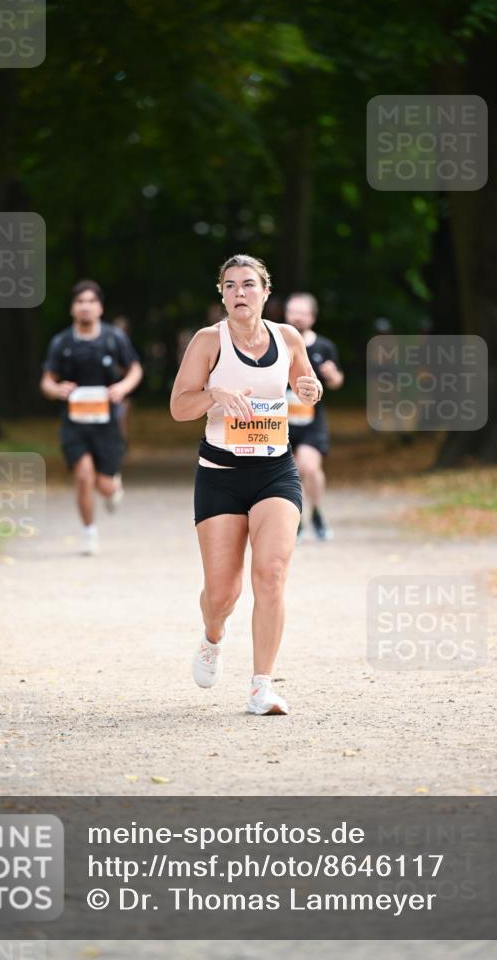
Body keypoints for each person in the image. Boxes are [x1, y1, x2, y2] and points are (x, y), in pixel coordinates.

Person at [170, 254, 323, 715]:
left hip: (275, 470)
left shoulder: (288, 337)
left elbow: (304, 382)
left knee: (271, 572)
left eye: (249, 284)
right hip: (220, 474)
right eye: (231, 285)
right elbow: (179, 407)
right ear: (222, 294)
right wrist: (215, 394)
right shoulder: (207, 342)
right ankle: (213, 636)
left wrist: (311, 388)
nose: (241, 292)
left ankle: (262, 686)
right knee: (223, 594)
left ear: (265, 292)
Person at [41, 280, 143, 555]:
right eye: (80, 302)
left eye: (90, 301)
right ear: (73, 308)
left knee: (105, 485)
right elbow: (47, 382)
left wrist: (122, 387)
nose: (85, 306)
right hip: (74, 424)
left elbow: (135, 369)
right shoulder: (62, 342)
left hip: (107, 424)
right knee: (84, 476)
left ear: (100, 307)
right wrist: (57, 389)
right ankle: (89, 533)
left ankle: (112, 489)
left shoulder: (113, 338)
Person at [284, 293, 344, 541]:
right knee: (288, 472)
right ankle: (294, 521)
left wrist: (331, 375)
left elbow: (338, 381)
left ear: (313, 316)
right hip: (280, 421)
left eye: (302, 312)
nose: (297, 317)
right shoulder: (275, 342)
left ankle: (317, 512)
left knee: (307, 467)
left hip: (311, 422)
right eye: (292, 312)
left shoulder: (324, 346)